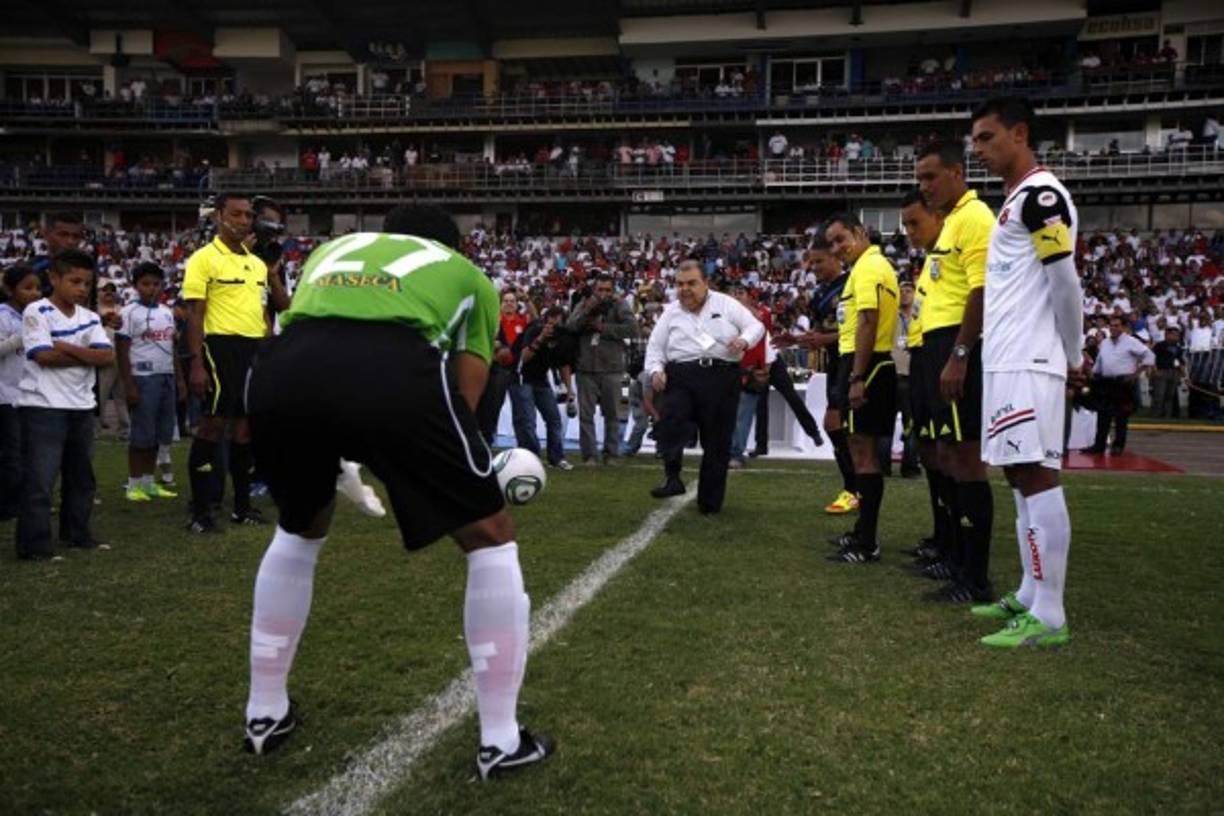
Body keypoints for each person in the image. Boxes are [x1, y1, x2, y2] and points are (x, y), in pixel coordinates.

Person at [242, 204, 554, 778]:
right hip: (391, 368)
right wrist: (452, 461)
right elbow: (467, 385)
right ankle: (501, 740)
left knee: (299, 525)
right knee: (491, 537)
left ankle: (264, 712)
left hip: (282, 369)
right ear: (453, 246)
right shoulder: (468, 274)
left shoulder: (329, 252)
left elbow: (321, 341)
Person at [970, 96, 1082, 647]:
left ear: (1019, 133)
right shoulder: (1016, 201)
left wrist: (1075, 352)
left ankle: (1052, 616)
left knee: (1035, 475)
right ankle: (1030, 592)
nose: (979, 150)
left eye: (987, 138)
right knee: (1019, 477)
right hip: (1008, 359)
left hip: (1032, 360)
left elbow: (1066, 283)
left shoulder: (1042, 196)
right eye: (974, 142)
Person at [912, 139, 998, 604]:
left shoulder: (975, 217)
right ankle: (957, 557)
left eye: (930, 176)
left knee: (967, 458)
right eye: (919, 179)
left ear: (957, 172)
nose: (924, 187)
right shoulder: (952, 225)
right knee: (948, 454)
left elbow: (981, 291)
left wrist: (961, 353)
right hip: (939, 344)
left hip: (956, 345)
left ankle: (975, 576)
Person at [14, 250, 114, 561]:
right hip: (42, 405)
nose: (82, 289)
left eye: (87, 283)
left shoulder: (91, 316)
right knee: (41, 479)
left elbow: (106, 357)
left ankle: (77, 534)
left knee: (81, 477)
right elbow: (43, 357)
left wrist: (63, 345)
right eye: (75, 281)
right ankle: (34, 545)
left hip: (82, 405)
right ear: (53, 279)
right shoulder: (36, 311)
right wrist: (85, 352)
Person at [644, 260, 763, 514]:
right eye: (679, 284)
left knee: (717, 441)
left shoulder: (725, 303)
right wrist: (656, 371)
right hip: (681, 375)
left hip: (721, 376)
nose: (685, 289)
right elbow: (655, 347)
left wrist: (744, 340)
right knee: (671, 419)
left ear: (705, 283)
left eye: (691, 283)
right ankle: (672, 477)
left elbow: (756, 326)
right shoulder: (671, 312)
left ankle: (709, 503)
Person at [182, 193, 270, 532]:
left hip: (252, 351)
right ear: (220, 216)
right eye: (237, 214)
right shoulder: (203, 259)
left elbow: (262, 313)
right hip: (219, 348)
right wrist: (196, 363)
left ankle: (242, 508)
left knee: (245, 430)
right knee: (212, 426)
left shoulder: (257, 263)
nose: (244, 221)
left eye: (249, 215)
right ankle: (200, 512)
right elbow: (195, 313)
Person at [824, 214, 899, 563]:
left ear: (859, 233)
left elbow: (868, 322)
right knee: (858, 450)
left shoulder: (869, 267)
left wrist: (856, 377)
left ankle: (867, 542)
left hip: (865, 364)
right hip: (858, 362)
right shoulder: (866, 267)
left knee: (865, 455)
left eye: (841, 239)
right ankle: (861, 534)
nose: (837, 249)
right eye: (832, 244)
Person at [895, 191, 956, 574]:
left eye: (915, 223)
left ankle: (956, 549)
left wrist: (960, 356)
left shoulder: (959, 239)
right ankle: (942, 538)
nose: (909, 232)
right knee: (932, 454)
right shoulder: (929, 262)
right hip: (921, 358)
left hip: (941, 356)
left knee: (952, 457)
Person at [775, 242, 857, 514]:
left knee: (837, 424)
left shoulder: (853, 283)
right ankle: (855, 488)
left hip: (853, 360)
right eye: (812, 263)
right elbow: (821, 335)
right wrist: (795, 340)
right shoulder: (821, 292)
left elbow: (861, 328)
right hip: (835, 362)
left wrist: (824, 339)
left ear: (836, 259)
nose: (814, 268)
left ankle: (855, 489)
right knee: (837, 425)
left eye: (819, 262)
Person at [116, 262, 184, 502]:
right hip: (143, 378)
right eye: (145, 284)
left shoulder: (167, 312)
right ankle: (133, 484)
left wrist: (180, 382)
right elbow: (122, 352)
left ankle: (149, 482)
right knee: (141, 435)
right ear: (135, 286)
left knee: (159, 434)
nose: (151, 288)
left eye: (156, 284)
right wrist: (129, 385)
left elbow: (172, 349)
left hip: (166, 377)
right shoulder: (127, 313)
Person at [566, 274, 639, 465]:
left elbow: (633, 329)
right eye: (600, 289)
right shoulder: (584, 303)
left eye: (607, 290)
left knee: (613, 414)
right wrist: (588, 309)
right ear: (594, 289)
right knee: (586, 415)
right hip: (586, 368)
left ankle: (611, 454)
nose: (604, 293)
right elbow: (570, 326)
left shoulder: (620, 305)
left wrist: (602, 328)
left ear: (613, 290)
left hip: (613, 367)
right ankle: (589, 455)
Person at [0, 264, 43, 521]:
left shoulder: (35, 315)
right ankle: (8, 505)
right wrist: (20, 338)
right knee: (11, 454)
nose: (35, 293)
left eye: (37, 288)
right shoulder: (3, 315)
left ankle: (24, 500)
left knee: (28, 452)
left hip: (29, 393)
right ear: (9, 289)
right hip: (6, 394)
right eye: (27, 288)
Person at [511, 306, 575, 471]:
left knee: (553, 418)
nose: (554, 324)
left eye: (558, 321)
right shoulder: (534, 330)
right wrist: (541, 338)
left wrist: (569, 389)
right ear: (546, 320)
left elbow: (563, 363)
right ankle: (531, 458)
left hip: (541, 379)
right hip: (522, 376)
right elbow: (523, 357)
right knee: (527, 420)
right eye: (551, 320)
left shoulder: (563, 337)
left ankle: (556, 457)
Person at [1084, 315, 1154, 455]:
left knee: (1121, 416)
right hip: (1105, 382)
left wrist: (1136, 374)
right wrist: (1092, 374)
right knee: (1103, 416)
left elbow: (1149, 356)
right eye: (1111, 325)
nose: (1113, 328)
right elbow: (1099, 362)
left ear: (1123, 327)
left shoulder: (1131, 342)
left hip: (1123, 382)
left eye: (1117, 325)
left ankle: (1118, 446)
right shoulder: (1104, 343)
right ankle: (1099, 445)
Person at [1150, 325, 1186, 418]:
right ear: (1167, 335)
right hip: (1161, 372)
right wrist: (1155, 370)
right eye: (1174, 335)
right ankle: (1156, 416)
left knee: (1170, 396)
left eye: (1177, 335)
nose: (1176, 337)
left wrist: (1184, 375)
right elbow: (1151, 358)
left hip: (1173, 372)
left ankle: (1167, 416)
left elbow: (1181, 361)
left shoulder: (1178, 348)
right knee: (1159, 396)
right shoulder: (1159, 345)